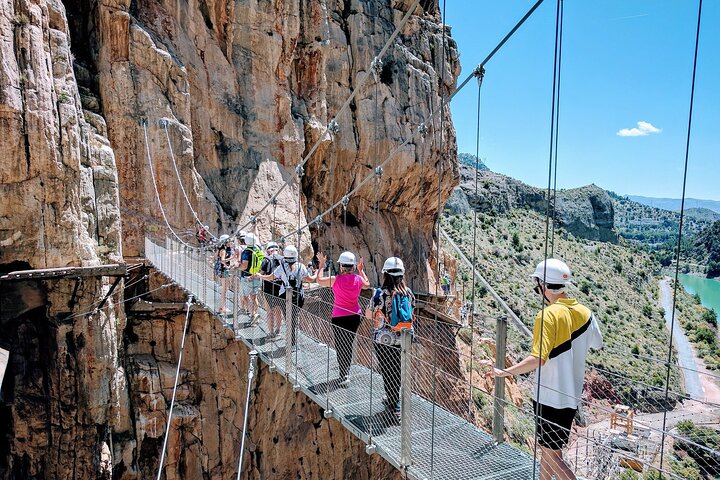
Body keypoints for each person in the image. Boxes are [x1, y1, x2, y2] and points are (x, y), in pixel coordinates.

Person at [486, 259, 603, 480]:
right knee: (549, 452)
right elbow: (597, 343)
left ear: (544, 285)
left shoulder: (547, 315)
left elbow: (537, 359)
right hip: (571, 398)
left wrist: (504, 372)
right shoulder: (586, 313)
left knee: (553, 457)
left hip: (548, 398)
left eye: (537, 284)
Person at [368, 256, 415, 420]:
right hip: (403, 338)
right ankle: (394, 401)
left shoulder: (379, 294)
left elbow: (368, 314)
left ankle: (394, 405)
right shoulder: (408, 293)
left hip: (383, 339)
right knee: (397, 371)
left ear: (385, 274)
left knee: (387, 371)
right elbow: (412, 312)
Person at [316, 251, 370, 387]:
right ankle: (346, 371)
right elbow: (367, 285)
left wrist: (322, 264)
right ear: (353, 267)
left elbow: (319, 280)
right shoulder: (358, 279)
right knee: (349, 342)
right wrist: (361, 270)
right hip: (355, 316)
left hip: (339, 316)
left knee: (340, 344)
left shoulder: (336, 279)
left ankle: (344, 373)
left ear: (341, 267)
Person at [258, 245, 316, 348]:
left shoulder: (282, 267)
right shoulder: (301, 266)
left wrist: (260, 276)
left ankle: (291, 342)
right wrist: (318, 272)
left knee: (288, 319)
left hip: (284, 297)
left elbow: (270, 277)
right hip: (298, 297)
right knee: (293, 318)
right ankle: (292, 342)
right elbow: (310, 279)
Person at [259, 241, 283, 337]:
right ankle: (278, 330)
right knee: (278, 310)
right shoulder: (283, 260)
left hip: (268, 289)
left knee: (269, 311)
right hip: (281, 289)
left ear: (269, 251)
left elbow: (261, 273)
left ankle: (271, 332)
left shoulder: (266, 260)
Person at [239, 232, 262, 322]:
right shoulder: (258, 249)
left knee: (244, 296)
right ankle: (256, 314)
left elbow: (244, 266)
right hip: (256, 276)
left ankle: (253, 314)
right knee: (254, 297)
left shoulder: (246, 252)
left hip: (246, 278)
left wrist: (237, 267)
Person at [213, 234, 234, 314]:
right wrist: (231, 260)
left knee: (225, 289)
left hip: (222, 270)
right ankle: (222, 308)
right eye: (228, 241)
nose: (230, 242)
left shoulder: (221, 249)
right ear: (225, 242)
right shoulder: (223, 250)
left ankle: (221, 307)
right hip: (224, 270)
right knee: (225, 289)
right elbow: (222, 260)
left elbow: (215, 257)